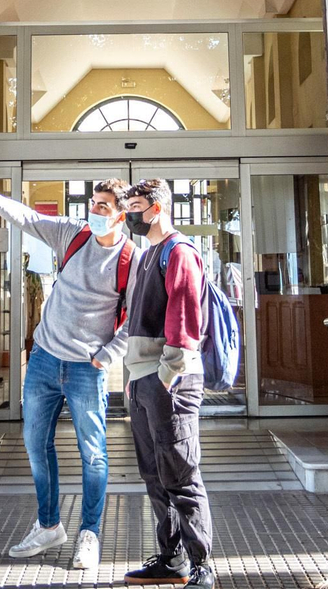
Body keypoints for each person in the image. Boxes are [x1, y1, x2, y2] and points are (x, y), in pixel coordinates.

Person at [0, 179, 140, 570]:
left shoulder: (131, 260)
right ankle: (49, 525)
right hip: (44, 360)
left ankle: (89, 534)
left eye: (103, 206)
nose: (94, 211)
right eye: (93, 203)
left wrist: (106, 357)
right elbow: (29, 218)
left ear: (121, 215)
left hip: (87, 369)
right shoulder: (73, 233)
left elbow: (135, 317)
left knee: (93, 455)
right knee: (36, 445)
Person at [120, 178, 216, 589]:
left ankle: (202, 565)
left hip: (170, 382)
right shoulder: (147, 255)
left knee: (180, 474)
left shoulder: (179, 252)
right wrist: (135, 379)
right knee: (154, 475)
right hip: (145, 380)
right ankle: (172, 560)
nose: (130, 216)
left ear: (157, 208)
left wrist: (164, 376)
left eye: (136, 207)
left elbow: (185, 319)